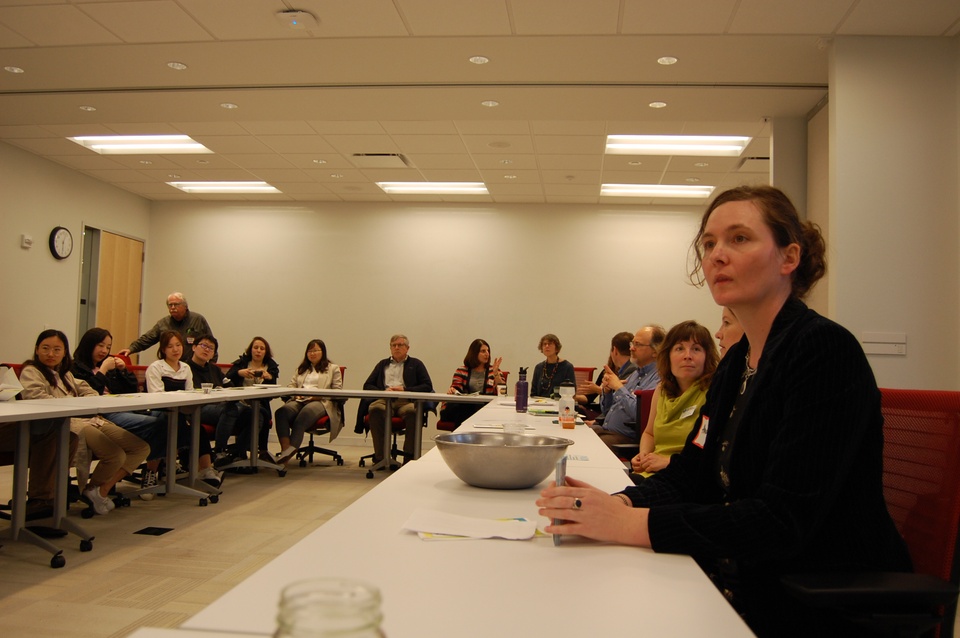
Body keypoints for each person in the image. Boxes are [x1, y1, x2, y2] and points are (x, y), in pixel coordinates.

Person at [537, 185, 911, 637]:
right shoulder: (738, 361)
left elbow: (780, 522)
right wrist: (616, 502)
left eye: (738, 238)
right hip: (735, 580)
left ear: (788, 257)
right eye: (709, 243)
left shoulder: (823, 351)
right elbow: (693, 474)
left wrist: (631, 523)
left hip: (814, 601)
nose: (716, 255)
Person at [20, 330, 150, 515]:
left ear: (64, 352)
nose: (51, 354)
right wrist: (76, 403)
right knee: (115, 455)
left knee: (140, 447)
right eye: (46, 348)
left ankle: (98, 491)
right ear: (37, 350)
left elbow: (89, 391)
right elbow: (38, 399)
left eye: (57, 349)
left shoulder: (64, 374)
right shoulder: (32, 371)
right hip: (67, 423)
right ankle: (92, 490)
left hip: (91, 418)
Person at [628, 320, 717, 481]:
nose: (687, 356)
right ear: (667, 356)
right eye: (679, 349)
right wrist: (643, 455)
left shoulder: (713, 393)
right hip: (650, 471)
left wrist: (668, 461)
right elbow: (649, 433)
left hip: (686, 477)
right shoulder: (661, 390)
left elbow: (711, 451)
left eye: (696, 349)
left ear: (707, 356)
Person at [72, 327, 166, 462]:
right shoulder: (75, 367)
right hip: (103, 413)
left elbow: (132, 389)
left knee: (168, 417)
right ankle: (152, 465)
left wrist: (123, 371)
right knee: (157, 424)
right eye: (100, 345)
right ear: (89, 345)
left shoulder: (109, 365)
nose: (104, 351)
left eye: (108, 347)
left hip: (123, 407)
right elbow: (89, 395)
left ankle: (159, 464)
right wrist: (103, 370)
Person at [145, 330, 222, 487]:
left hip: (181, 411)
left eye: (178, 345)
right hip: (161, 411)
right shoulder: (156, 367)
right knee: (163, 426)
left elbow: (190, 393)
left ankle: (206, 469)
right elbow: (157, 396)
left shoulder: (185, 368)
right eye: (170, 346)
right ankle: (150, 473)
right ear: (163, 349)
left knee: (196, 426)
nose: (175, 349)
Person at [361, 334, 433, 465]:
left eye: (400, 345)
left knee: (413, 412)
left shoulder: (416, 364)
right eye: (393, 345)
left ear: (407, 348)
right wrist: (383, 391)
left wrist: (405, 390)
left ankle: (410, 457)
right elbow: (367, 385)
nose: (396, 348)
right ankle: (381, 457)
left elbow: (427, 386)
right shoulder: (382, 364)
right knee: (375, 410)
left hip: (406, 400)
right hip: (384, 399)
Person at [589, 324, 666, 447]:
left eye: (638, 344)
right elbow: (607, 410)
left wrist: (619, 388)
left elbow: (641, 415)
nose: (631, 348)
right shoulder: (635, 374)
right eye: (632, 344)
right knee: (574, 437)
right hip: (607, 431)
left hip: (626, 438)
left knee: (588, 447)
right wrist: (608, 392)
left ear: (655, 351)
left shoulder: (660, 378)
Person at [273, 339, 342, 467]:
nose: (312, 353)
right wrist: (296, 393)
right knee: (281, 412)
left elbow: (337, 391)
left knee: (304, 415)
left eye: (315, 350)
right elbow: (291, 385)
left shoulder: (333, 368)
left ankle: (286, 458)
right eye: (310, 351)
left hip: (321, 401)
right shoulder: (302, 368)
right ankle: (285, 451)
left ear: (323, 352)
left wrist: (317, 397)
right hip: (300, 399)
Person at [216, 336, 280, 465]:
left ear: (265, 352)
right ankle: (238, 451)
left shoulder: (271, 367)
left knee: (262, 414)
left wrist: (268, 377)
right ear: (250, 350)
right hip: (240, 402)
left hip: (261, 402)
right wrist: (239, 373)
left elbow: (273, 390)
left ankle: (239, 451)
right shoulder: (241, 364)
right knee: (257, 416)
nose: (258, 351)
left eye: (262, 348)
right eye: (255, 348)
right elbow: (226, 379)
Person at [117, 291, 214, 363]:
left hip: (192, 366)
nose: (172, 307)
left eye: (176, 304)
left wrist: (212, 364)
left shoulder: (198, 320)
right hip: (169, 367)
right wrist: (131, 349)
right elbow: (147, 338)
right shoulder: (163, 323)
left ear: (185, 306)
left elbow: (211, 343)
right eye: (170, 305)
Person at [439, 339, 504, 427]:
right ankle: (462, 438)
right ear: (474, 353)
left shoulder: (494, 371)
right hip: (465, 407)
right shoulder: (462, 370)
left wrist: (496, 374)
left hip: (486, 408)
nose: (487, 354)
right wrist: (452, 390)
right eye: (483, 351)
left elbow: (502, 392)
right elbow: (456, 389)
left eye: (488, 351)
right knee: (465, 410)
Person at [575, 332, 636, 420]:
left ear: (614, 350)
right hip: (606, 416)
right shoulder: (606, 371)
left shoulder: (632, 371)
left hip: (609, 419)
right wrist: (572, 397)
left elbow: (621, 404)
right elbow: (589, 399)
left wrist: (599, 390)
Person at [530, 334, 576, 398]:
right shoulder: (539, 367)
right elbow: (533, 393)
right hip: (539, 403)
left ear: (557, 348)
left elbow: (572, 392)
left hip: (559, 403)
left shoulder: (567, 367)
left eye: (550, 344)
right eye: (544, 344)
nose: (547, 346)